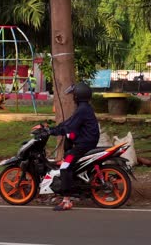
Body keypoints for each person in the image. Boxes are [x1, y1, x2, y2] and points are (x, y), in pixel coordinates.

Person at [45, 82, 100, 211]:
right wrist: (52, 129)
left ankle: (66, 201)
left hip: (84, 144)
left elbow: (69, 126)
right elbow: (69, 123)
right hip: (86, 141)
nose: (73, 96)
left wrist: (51, 131)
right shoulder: (84, 108)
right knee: (69, 137)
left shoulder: (82, 109)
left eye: (74, 94)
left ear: (78, 96)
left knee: (65, 167)